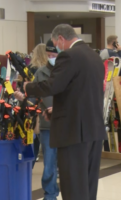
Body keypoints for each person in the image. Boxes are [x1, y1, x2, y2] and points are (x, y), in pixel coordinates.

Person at [24, 24, 106, 200]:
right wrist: (57, 110)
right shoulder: (95, 56)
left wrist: (28, 87)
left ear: (61, 39)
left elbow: (53, 85)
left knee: (73, 187)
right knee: (88, 185)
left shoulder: (69, 56)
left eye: (56, 44)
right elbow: (81, 93)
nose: (57, 49)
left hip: (73, 132)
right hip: (94, 129)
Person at [14, 40, 60, 200]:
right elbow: (33, 97)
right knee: (49, 165)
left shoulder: (67, 72)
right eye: (49, 55)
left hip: (67, 124)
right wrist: (23, 98)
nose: (52, 57)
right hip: (47, 125)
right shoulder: (40, 73)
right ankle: (50, 195)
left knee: (68, 165)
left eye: (55, 54)